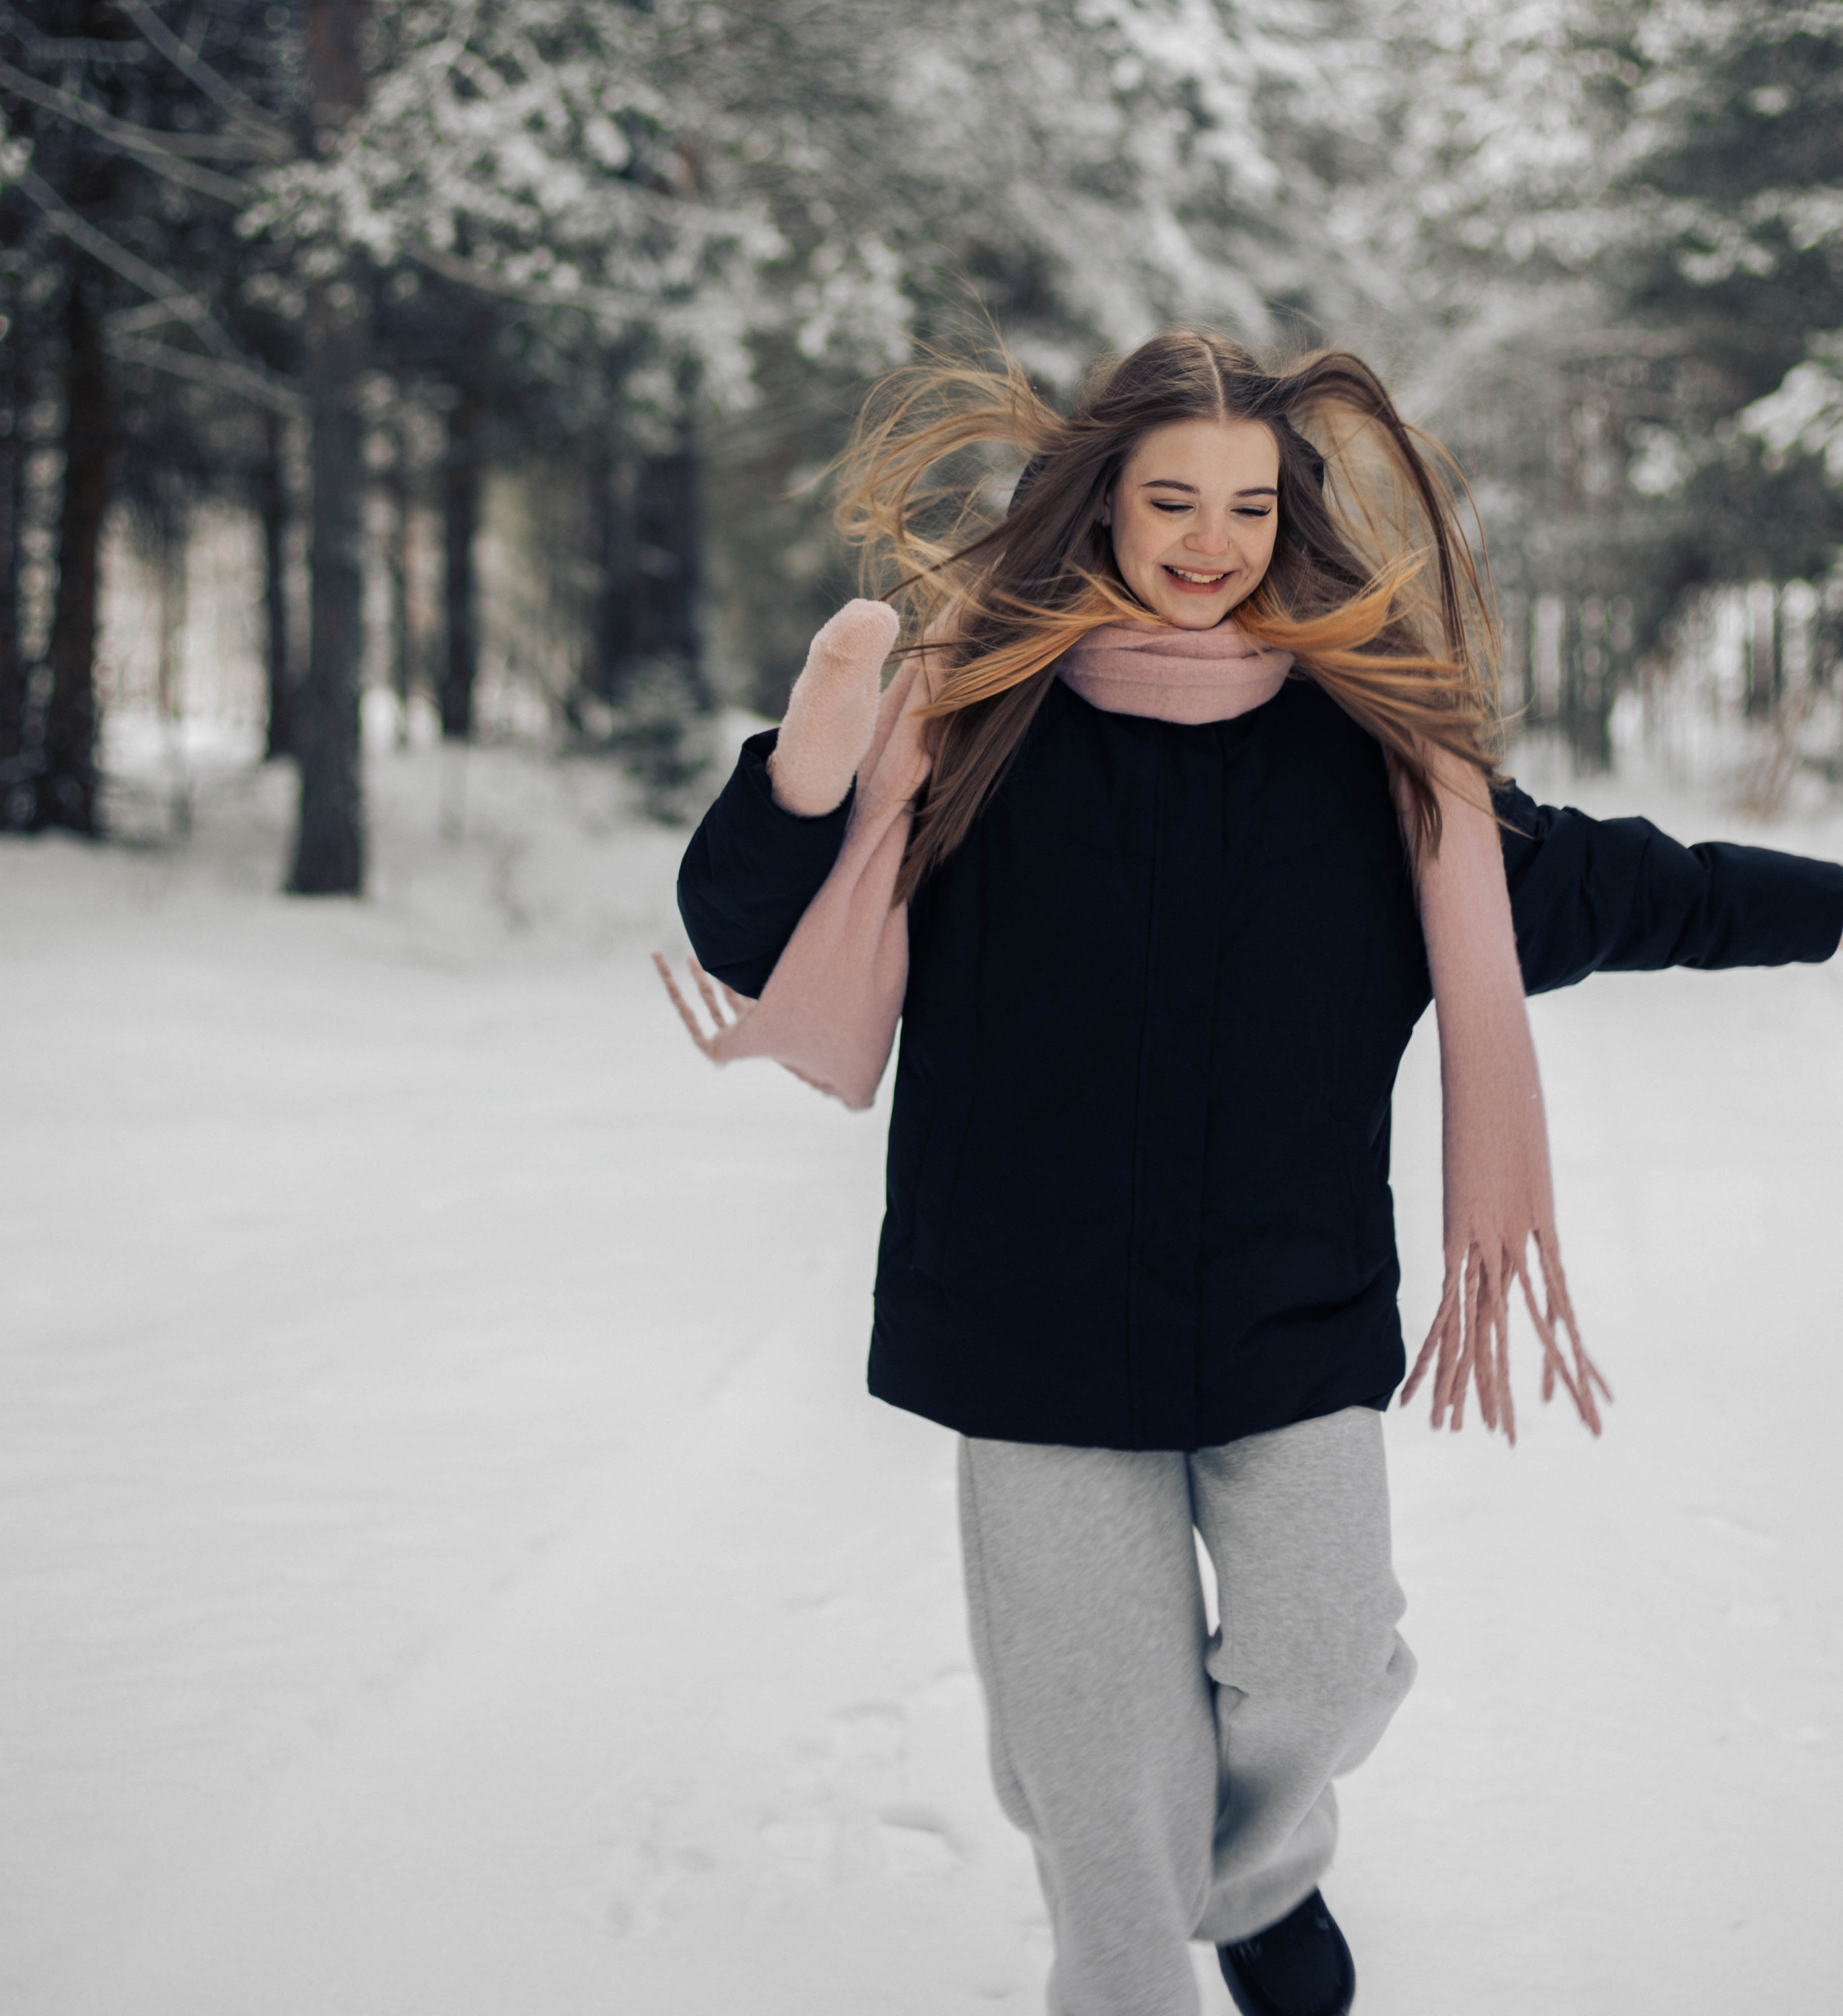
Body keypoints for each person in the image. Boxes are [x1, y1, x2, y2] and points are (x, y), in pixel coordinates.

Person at [661, 328, 1843, 2016]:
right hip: (1023, 1324)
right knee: (1097, 1748)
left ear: (1288, 518)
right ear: (1101, 503)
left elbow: (1621, 887)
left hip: (1284, 1316)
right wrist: (803, 773)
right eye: (1168, 499)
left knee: (1319, 1657)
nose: (1206, 540)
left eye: (1244, 504)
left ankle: (1256, 1875)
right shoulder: (977, 728)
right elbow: (751, 937)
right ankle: (1135, 1969)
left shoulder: (1374, 761)